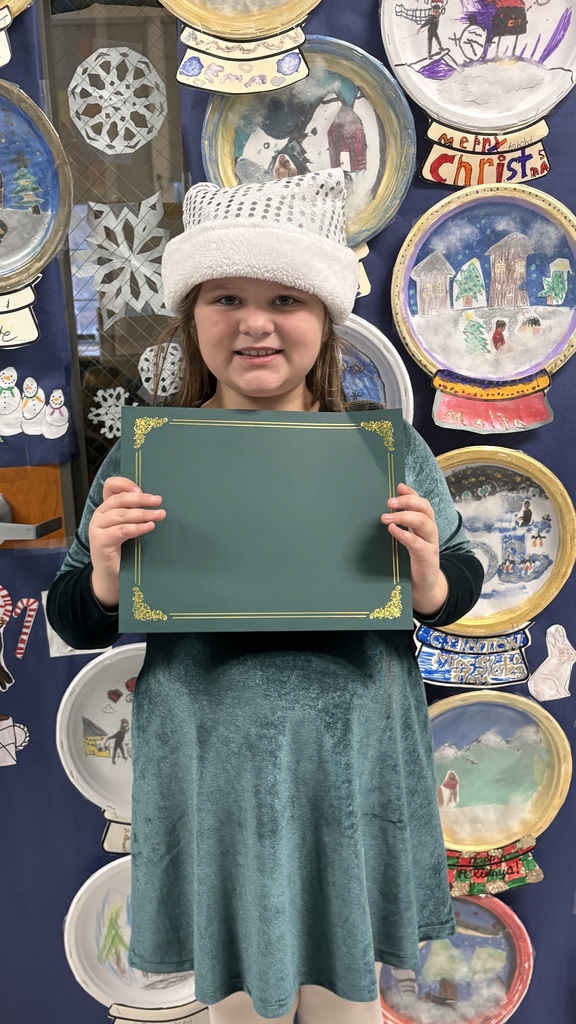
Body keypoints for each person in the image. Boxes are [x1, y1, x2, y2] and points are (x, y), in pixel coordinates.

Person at [47, 169, 483, 1024]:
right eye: (226, 299)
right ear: (192, 318)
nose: (255, 322)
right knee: (238, 1000)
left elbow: (454, 586)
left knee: (347, 998)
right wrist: (103, 568)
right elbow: (74, 611)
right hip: (212, 773)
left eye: (286, 298)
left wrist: (431, 575)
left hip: (352, 763)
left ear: (324, 320)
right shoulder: (149, 459)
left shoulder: (380, 451)